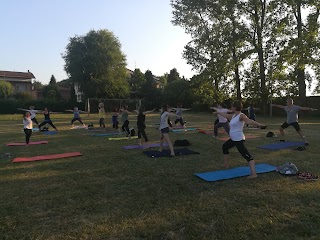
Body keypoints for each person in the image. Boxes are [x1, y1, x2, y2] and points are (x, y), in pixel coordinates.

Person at [215, 101, 267, 178]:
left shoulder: (241, 115)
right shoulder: (233, 116)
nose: (231, 107)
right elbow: (225, 115)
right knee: (225, 147)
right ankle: (226, 165)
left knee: (247, 156)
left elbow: (249, 121)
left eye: (232, 106)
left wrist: (259, 124)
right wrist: (218, 112)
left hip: (238, 139)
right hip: (233, 139)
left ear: (235, 107)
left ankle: (254, 174)